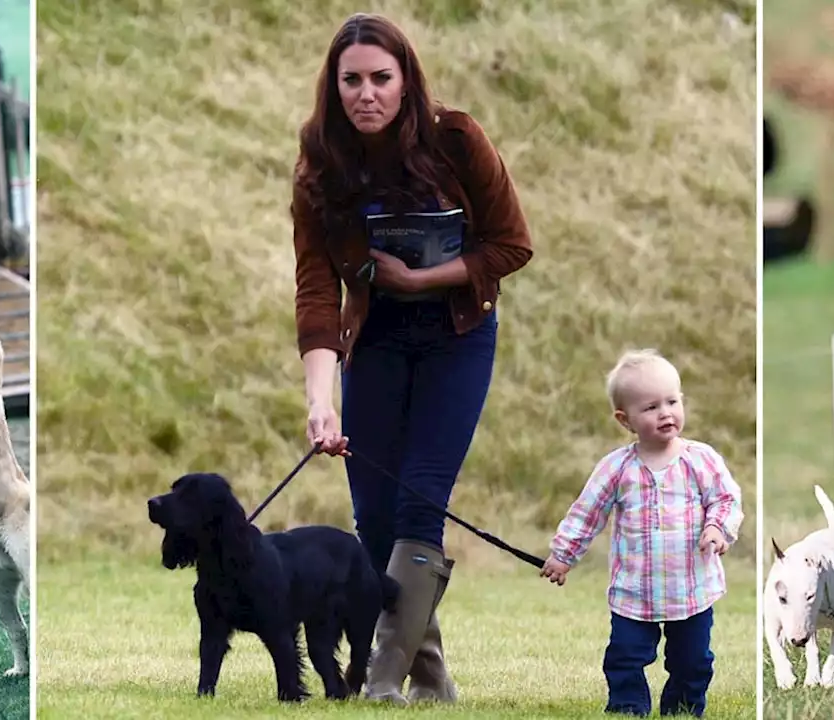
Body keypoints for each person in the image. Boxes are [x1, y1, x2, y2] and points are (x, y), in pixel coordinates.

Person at [290, 12, 532, 705]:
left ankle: (381, 681)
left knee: (419, 501)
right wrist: (320, 398)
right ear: (334, 88)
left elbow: (512, 244)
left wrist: (422, 279)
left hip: (458, 337)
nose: (366, 93)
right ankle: (430, 680)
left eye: (380, 79)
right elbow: (315, 290)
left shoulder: (455, 139)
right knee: (373, 514)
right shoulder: (321, 164)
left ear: (406, 82)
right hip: (376, 345)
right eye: (351, 81)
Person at [540, 350, 743, 718]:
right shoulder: (616, 469)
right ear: (625, 419)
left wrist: (717, 527)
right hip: (635, 592)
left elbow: (726, 499)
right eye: (650, 407)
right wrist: (562, 555)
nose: (665, 413)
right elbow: (586, 514)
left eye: (672, 401)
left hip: (691, 590)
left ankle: (682, 707)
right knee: (624, 656)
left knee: (694, 661)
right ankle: (628, 706)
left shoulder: (701, 460)